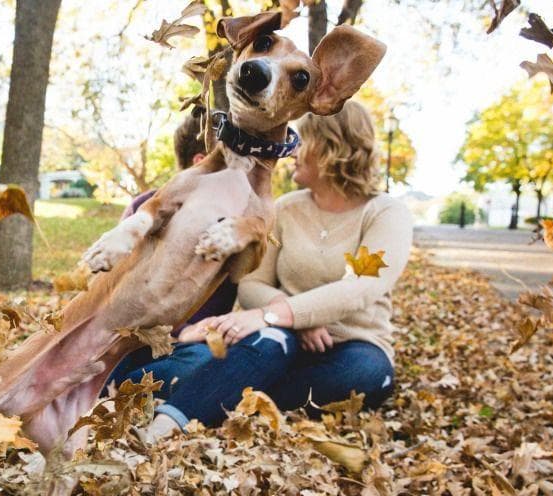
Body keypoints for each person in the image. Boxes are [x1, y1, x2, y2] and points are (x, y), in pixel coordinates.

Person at [143, 100, 414, 438]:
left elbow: (360, 288)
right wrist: (291, 320)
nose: (292, 149)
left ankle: (220, 389)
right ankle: (169, 422)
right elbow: (251, 283)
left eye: (302, 138)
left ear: (332, 146)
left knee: (368, 374)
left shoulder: (385, 213)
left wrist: (278, 314)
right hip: (280, 339)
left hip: (353, 344)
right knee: (270, 341)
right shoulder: (285, 209)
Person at [105, 109, 238, 396]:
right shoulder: (145, 209)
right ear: (202, 163)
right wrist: (181, 331)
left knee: (207, 364)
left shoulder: (237, 224)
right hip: (133, 341)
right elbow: (120, 295)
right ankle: (116, 391)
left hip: (191, 351)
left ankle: (125, 391)